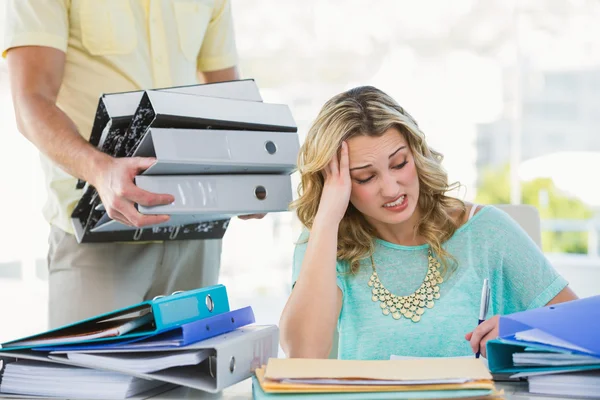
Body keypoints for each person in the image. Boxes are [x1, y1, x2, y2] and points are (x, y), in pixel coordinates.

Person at [3, 0, 262, 329]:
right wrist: (100, 170)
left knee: (193, 379)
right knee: (95, 379)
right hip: (97, 235)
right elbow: (31, 99)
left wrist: (250, 171)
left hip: (195, 232)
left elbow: (225, 94)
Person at [279, 86, 578, 360]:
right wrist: (328, 219)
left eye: (399, 164)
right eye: (366, 177)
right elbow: (303, 355)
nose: (392, 189)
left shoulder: (487, 231)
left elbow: (585, 326)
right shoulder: (325, 239)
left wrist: (523, 329)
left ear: (417, 154)